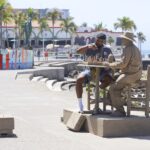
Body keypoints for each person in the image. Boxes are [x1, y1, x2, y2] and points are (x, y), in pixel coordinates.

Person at [102, 32, 142, 117]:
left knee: (114, 88)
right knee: (112, 79)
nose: (122, 40)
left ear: (127, 40)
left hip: (130, 75)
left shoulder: (128, 49)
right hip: (136, 73)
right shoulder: (135, 48)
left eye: (123, 39)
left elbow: (123, 64)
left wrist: (110, 65)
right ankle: (110, 100)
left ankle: (120, 111)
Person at [76, 33, 115, 113]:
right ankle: (80, 105)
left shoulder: (107, 49)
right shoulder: (90, 47)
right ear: (95, 39)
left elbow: (113, 61)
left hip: (103, 71)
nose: (99, 42)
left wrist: (109, 65)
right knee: (79, 80)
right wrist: (88, 47)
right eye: (97, 40)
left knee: (110, 80)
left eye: (101, 41)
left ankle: (96, 89)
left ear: (103, 41)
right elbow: (78, 51)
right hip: (90, 70)